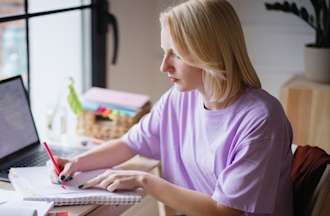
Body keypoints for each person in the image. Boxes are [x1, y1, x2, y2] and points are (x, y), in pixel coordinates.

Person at [49, 0, 294, 215]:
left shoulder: (262, 119)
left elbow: (225, 211)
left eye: (176, 54)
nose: (164, 66)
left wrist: (145, 181)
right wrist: (76, 163)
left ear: (208, 54)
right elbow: (128, 144)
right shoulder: (178, 100)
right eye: (165, 52)